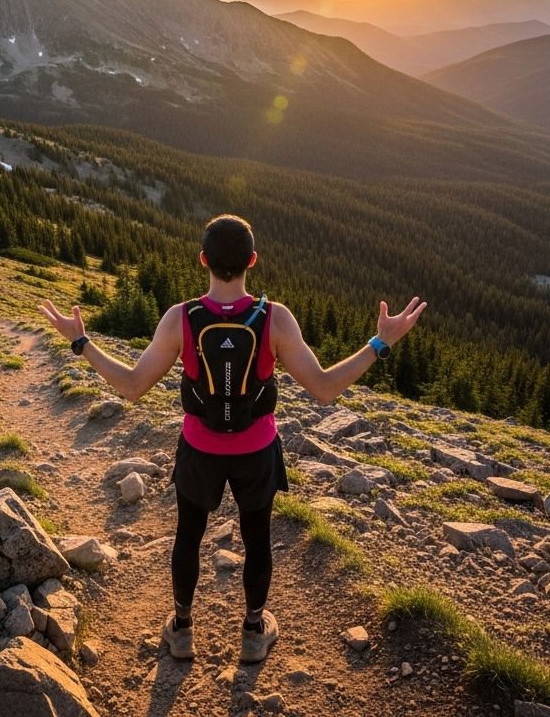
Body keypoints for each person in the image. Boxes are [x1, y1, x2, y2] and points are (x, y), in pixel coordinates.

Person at [38, 214, 427, 664]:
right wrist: (380, 343)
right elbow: (324, 388)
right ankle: (253, 632)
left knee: (188, 536)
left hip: (199, 449)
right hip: (256, 451)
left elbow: (131, 386)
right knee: (257, 539)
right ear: (252, 261)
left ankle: (182, 629)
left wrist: (81, 342)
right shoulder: (275, 319)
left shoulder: (180, 318)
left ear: (203, 260)